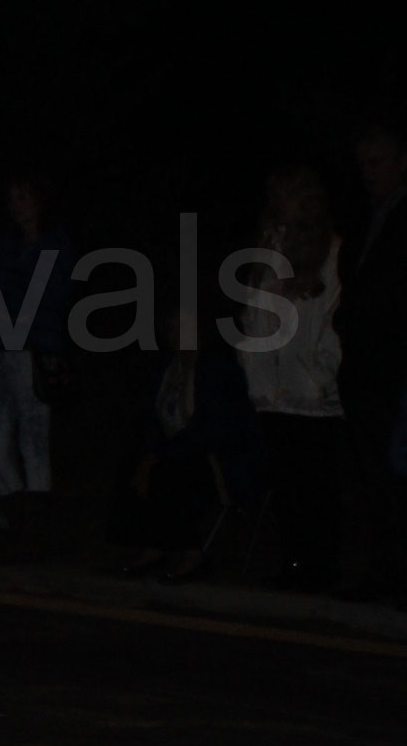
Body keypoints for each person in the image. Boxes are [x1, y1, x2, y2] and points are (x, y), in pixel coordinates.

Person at [236, 164, 346, 592]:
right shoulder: (268, 249)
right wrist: (250, 364)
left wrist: (319, 373)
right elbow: (253, 314)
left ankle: (321, 568)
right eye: (275, 194)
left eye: (288, 194)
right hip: (272, 390)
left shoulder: (331, 251)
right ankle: (293, 564)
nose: (279, 203)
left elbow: (334, 319)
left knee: (316, 486)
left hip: (311, 394)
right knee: (286, 486)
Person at [0, 171, 72, 551]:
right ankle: (22, 522)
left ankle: (34, 535)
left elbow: (46, 296)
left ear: (40, 201)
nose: (16, 205)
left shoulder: (55, 244)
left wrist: (7, 302)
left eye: (23, 197)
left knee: (33, 442)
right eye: (12, 199)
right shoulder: (3, 247)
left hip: (32, 353)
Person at [110, 308, 256, 584]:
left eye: (184, 328)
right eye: (171, 329)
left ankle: (192, 553)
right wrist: (152, 453)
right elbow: (151, 416)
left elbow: (212, 427)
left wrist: (162, 455)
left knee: (173, 471)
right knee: (133, 463)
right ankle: (153, 545)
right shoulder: (167, 367)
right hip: (177, 450)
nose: (177, 336)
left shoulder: (217, 367)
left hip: (218, 457)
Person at [336, 119, 405, 599]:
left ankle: (396, 576)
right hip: (363, 364)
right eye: (364, 164)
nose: (369, 172)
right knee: (370, 473)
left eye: (378, 162)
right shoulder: (366, 216)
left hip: (394, 365)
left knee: (394, 471)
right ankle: (381, 573)